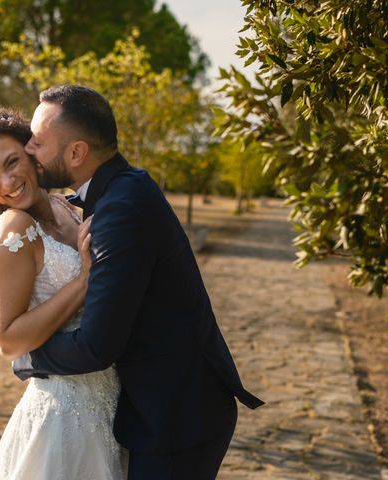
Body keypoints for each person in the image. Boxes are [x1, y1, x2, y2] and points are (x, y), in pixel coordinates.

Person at [15, 84, 264, 479]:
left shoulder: (120, 209)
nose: (29, 150)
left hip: (176, 416)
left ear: (77, 152)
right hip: (168, 404)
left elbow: (98, 345)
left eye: (38, 142)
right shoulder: (122, 187)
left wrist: (28, 356)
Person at [0, 105, 127, 479]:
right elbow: (7, 339)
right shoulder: (13, 227)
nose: (7, 184)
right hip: (63, 413)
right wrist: (84, 283)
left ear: (32, 151)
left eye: (12, 163)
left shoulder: (65, 205)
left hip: (108, 399)